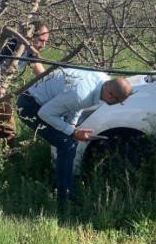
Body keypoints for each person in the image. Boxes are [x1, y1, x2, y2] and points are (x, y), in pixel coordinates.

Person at [16, 68, 133, 204]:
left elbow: (79, 105)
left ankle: (58, 187)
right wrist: (73, 132)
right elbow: (45, 113)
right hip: (29, 106)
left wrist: (72, 124)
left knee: (69, 142)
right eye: (120, 101)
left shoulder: (102, 81)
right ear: (111, 96)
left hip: (45, 101)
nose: (119, 104)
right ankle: (64, 198)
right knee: (67, 145)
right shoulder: (81, 94)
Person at [0, 21, 50, 149]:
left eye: (46, 42)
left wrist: (58, 83)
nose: (43, 45)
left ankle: (9, 158)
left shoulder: (29, 50)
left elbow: (42, 74)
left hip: (0, 89)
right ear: (29, 36)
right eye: (41, 40)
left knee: (8, 128)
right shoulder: (6, 46)